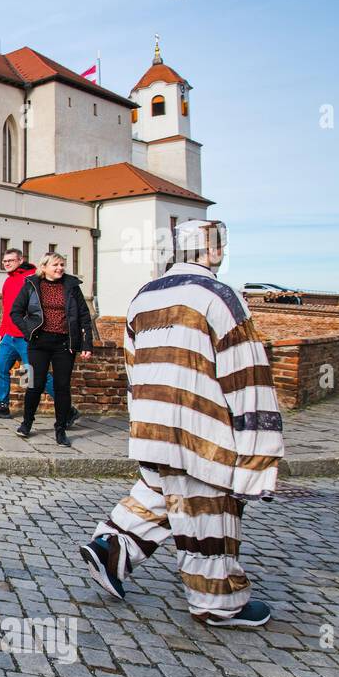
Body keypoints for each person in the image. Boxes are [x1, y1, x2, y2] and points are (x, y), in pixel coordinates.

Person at [80, 219, 282, 628]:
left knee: (161, 491)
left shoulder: (143, 297)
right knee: (208, 510)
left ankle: (112, 546)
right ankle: (218, 602)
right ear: (214, 252)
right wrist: (258, 450)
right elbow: (246, 374)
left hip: (154, 424)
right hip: (203, 427)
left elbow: (133, 367)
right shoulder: (219, 296)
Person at [0, 246, 75, 422]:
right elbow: (8, 310)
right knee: (0, 367)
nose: (6, 264)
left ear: (20, 260)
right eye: (4, 261)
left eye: (10, 261)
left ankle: (67, 410)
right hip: (9, 337)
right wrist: (1, 332)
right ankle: (2, 405)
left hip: (26, 338)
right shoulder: (8, 281)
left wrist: (30, 330)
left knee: (34, 375)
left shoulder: (32, 278)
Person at [8, 253, 93, 446]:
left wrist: (86, 344)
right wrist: (28, 331)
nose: (60, 268)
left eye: (62, 264)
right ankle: (27, 423)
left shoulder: (71, 286)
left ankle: (60, 428)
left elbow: (84, 316)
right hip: (39, 342)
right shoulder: (32, 284)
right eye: (55, 265)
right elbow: (16, 311)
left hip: (64, 343)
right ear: (44, 267)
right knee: (34, 384)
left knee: (62, 387)